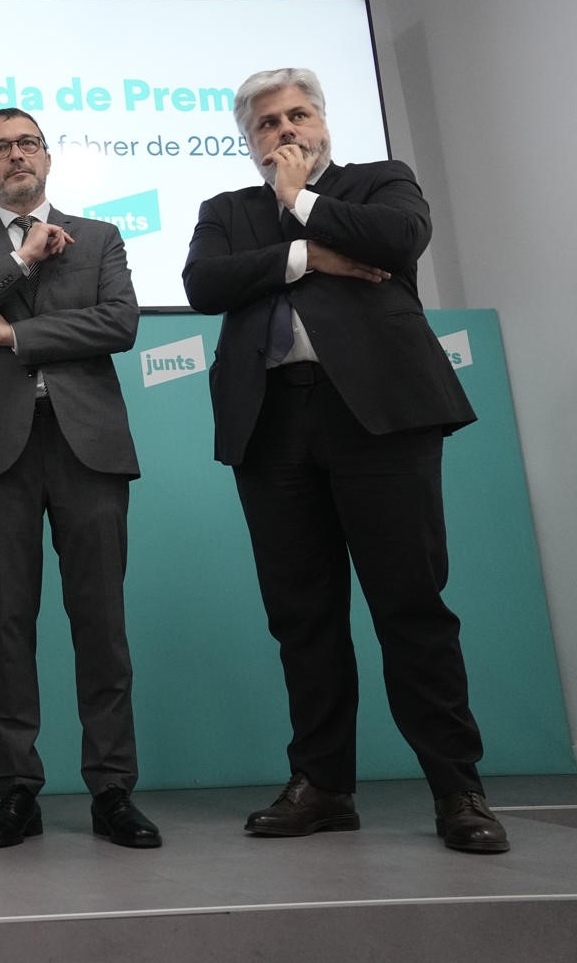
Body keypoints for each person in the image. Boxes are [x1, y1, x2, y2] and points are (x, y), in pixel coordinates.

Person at [183, 67, 505, 854]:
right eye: (266, 124)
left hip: (381, 418)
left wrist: (302, 207)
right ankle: (324, 785)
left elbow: (399, 243)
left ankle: (458, 789)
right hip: (272, 423)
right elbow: (203, 282)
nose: (284, 131)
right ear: (247, 140)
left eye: (297, 116)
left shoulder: (381, 183)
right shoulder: (226, 211)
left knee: (412, 606)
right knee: (303, 616)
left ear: (323, 122)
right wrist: (307, 258)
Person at [0, 109, 161, 850]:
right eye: (0, 149)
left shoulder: (99, 237)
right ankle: (18, 791)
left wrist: (18, 335)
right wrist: (20, 261)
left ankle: (113, 790)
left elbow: (119, 324)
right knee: (6, 626)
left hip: (87, 444)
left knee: (102, 624)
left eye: (27, 143)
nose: (15, 156)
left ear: (49, 158)